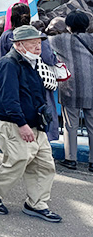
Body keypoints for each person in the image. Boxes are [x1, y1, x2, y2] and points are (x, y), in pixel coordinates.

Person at [0, 25, 62, 223]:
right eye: (32, 43)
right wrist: (22, 124)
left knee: (44, 165)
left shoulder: (30, 62)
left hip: (35, 124)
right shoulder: (9, 64)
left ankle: (37, 203)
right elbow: (9, 99)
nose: (38, 47)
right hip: (15, 124)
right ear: (18, 44)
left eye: (39, 42)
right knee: (18, 160)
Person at [0, 3, 60, 141]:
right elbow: (48, 58)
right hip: (37, 82)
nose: (37, 46)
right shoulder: (37, 35)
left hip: (14, 83)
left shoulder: (6, 36)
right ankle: (45, 137)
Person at [49, 11, 93, 171]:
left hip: (70, 88)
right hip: (91, 87)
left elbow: (43, 40)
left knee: (70, 125)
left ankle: (71, 159)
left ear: (68, 26)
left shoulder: (60, 40)